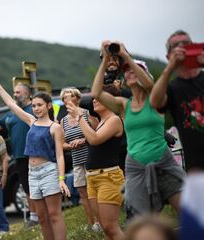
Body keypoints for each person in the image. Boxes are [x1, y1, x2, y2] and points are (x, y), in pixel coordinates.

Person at [91, 41, 185, 218]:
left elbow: (150, 84)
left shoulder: (156, 100)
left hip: (163, 160)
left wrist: (126, 56)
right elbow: (96, 93)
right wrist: (105, 58)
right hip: (135, 166)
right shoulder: (123, 105)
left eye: (135, 69)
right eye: (126, 71)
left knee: (188, 213)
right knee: (138, 221)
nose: (129, 72)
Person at [0, 75, 70, 240]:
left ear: (48, 106)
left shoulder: (55, 127)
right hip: (33, 173)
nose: (36, 108)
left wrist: (61, 179)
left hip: (49, 172)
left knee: (54, 215)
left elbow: (60, 155)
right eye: (34, 106)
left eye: (39, 105)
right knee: (42, 217)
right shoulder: (31, 121)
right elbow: (10, 103)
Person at [149, 30, 204, 240]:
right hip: (197, 173)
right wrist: (170, 67)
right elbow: (155, 102)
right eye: (176, 45)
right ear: (168, 55)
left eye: (186, 43)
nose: (182, 47)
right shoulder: (172, 88)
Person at [67, 85, 125, 240]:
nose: (94, 100)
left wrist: (79, 117)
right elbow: (93, 138)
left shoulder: (114, 120)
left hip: (108, 177)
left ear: (110, 101)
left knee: (110, 227)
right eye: (94, 97)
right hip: (92, 178)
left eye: (99, 97)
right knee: (106, 229)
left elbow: (95, 139)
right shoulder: (100, 121)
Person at [0, 82, 39, 227]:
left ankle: (43, 213)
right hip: (19, 155)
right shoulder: (11, 114)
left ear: (28, 94)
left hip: (36, 153)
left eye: (18, 92)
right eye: (14, 93)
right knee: (27, 186)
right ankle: (34, 217)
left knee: (38, 185)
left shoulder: (34, 109)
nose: (15, 95)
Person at [59, 87, 101, 231]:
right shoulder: (63, 121)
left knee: (93, 191)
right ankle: (90, 224)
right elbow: (61, 144)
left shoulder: (87, 113)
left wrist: (84, 140)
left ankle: (99, 222)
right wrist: (70, 145)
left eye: (71, 96)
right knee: (83, 193)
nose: (68, 99)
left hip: (92, 158)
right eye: (65, 97)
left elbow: (98, 132)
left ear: (77, 99)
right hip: (77, 161)